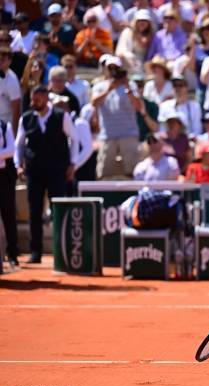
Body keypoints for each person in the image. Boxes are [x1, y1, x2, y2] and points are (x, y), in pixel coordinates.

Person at [14, 85, 78, 263]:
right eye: (33, 99)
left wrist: (73, 163)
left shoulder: (60, 116)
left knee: (58, 209)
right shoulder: (26, 119)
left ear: (45, 98)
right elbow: (19, 144)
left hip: (57, 170)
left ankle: (60, 250)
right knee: (34, 210)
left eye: (38, 99)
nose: (35, 102)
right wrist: (18, 165)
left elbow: (74, 139)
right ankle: (36, 252)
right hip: (34, 171)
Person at [91, 57, 142, 179]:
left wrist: (127, 88)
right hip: (107, 135)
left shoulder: (131, 86)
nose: (113, 71)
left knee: (133, 172)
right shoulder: (100, 86)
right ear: (106, 70)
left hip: (129, 134)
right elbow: (94, 103)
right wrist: (109, 89)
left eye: (116, 68)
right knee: (104, 173)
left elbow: (138, 106)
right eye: (110, 68)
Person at [0, 115, 17, 267]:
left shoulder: (5, 126)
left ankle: (12, 254)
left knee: (8, 215)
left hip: (4, 178)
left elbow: (11, 150)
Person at [115, 9, 154, 74]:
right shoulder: (127, 32)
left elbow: (144, 44)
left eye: (145, 20)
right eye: (140, 20)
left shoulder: (150, 34)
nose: (142, 23)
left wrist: (133, 30)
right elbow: (120, 52)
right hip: (126, 60)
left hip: (141, 62)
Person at [0, 47, 20, 133]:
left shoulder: (12, 81)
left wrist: (14, 133)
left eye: (3, 60)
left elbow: (16, 109)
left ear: (10, 61)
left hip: (5, 125)